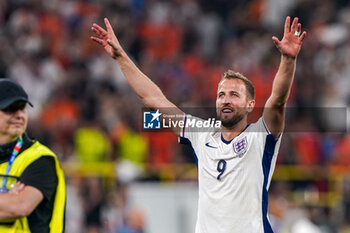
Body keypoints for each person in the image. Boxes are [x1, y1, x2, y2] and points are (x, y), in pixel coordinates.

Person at [91, 16, 306, 233]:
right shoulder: (201, 134)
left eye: (234, 94)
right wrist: (120, 57)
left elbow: (278, 100)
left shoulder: (261, 136)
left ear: (250, 105)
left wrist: (288, 60)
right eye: (221, 94)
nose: (226, 100)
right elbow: (154, 99)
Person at [0, 79, 66, 232]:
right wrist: (6, 198)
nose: (19, 115)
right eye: (10, 109)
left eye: (22, 109)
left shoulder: (40, 159)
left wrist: (12, 203)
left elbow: (19, 207)